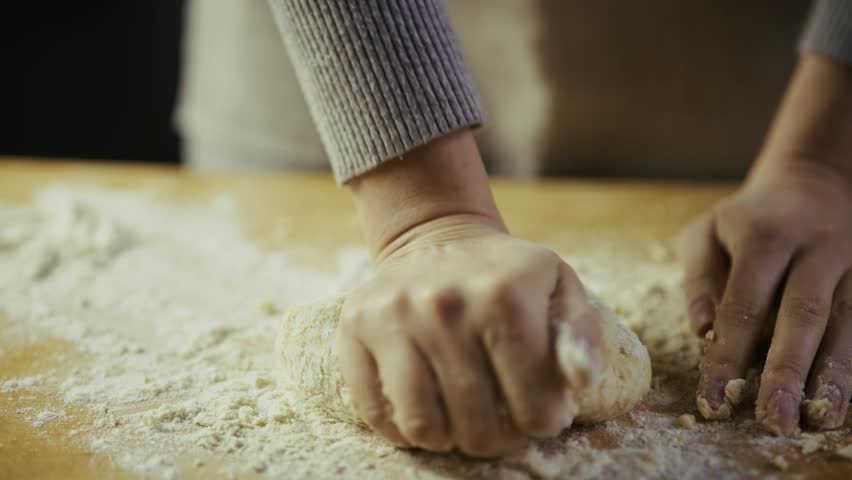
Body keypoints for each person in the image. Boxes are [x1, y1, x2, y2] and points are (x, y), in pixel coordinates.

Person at [176, 1, 852, 456]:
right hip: (348, 65)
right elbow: (420, 216)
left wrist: (820, 160)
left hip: (753, 83)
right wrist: (423, 214)